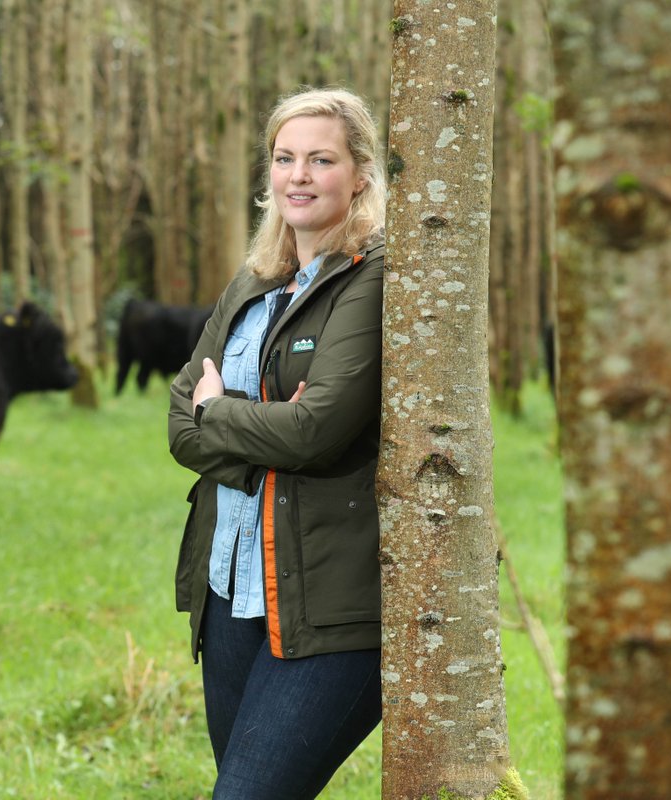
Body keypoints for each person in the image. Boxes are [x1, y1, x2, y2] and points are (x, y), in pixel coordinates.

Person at [167, 86, 387, 799]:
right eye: (284, 158)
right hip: (230, 589)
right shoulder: (255, 279)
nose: (298, 175)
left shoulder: (373, 277)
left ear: (360, 173)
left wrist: (218, 410)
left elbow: (315, 431)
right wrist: (257, 424)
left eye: (321, 159)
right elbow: (179, 424)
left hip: (326, 604)